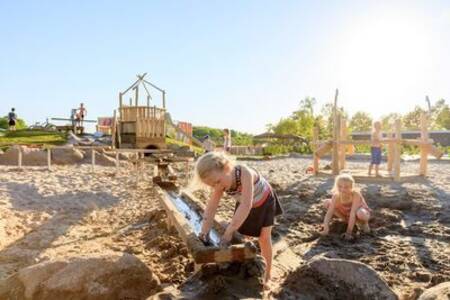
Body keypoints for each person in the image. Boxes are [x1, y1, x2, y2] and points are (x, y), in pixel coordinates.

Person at [194, 152, 282, 286]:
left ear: (227, 168)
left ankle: (267, 273)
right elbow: (211, 208)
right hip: (244, 202)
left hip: (264, 200)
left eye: (217, 182)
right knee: (242, 233)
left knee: (264, 237)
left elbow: (247, 204)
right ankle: (243, 263)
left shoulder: (244, 173)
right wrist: (204, 232)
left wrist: (229, 231)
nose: (217, 187)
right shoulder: (220, 183)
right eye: (212, 185)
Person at [320, 174, 371, 240]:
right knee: (327, 203)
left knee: (361, 213)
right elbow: (329, 212)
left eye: (346, 187)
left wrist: (348, 233)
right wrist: (326, 228)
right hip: (346, 214)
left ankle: (364, 224)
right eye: (340, 186)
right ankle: (346, 221)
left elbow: (353, 213)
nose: (342, 189)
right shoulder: (336, 195)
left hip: (358, 213)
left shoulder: (355, 194)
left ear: (352, 187)